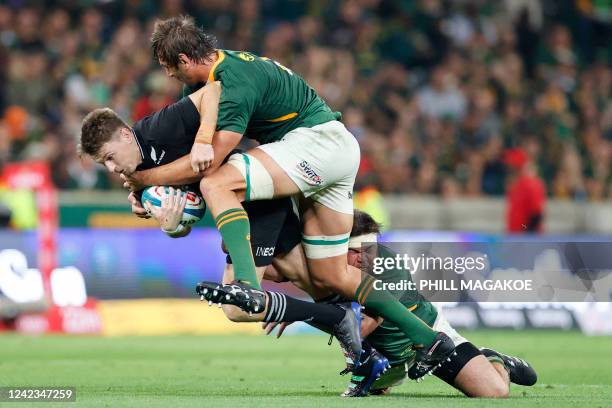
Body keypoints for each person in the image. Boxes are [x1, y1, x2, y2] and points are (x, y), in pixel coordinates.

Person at [121, 15, 454, 378]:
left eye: (169, 67)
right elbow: (191, 157)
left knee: (216, 183)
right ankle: (429, 339)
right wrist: (150, 193)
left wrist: (143, 179)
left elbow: (211, 161)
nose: (169, 76)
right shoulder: (215, 79)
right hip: (331, 147)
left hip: (314, 144)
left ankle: (248, 284)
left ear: (184, 61)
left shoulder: (232, 81)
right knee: (333, 276)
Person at [78, 86, 363, 370]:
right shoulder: (140, 183)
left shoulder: (162, 126)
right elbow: (183, 226)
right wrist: (172, 227)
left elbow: (211, 91)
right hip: (249, 208)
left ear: (126, 135)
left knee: (238, 306)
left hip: (256, 198)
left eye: (110, 157)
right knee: (314, 281)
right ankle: (374, 342)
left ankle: (348, 321)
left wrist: (204, 139)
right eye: (105, 164)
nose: (112, 169)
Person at [257, 210, 537, 398]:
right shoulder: (326, 265)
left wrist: (298, 311)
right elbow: (277, 271)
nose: (365, 259)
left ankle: (493, 358)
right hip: (386, 357)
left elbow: (361, 326)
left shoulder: (386, 269)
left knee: (494, 392)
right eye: (356, 253)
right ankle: (388, 376)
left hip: (427, 342)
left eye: (370, 250)